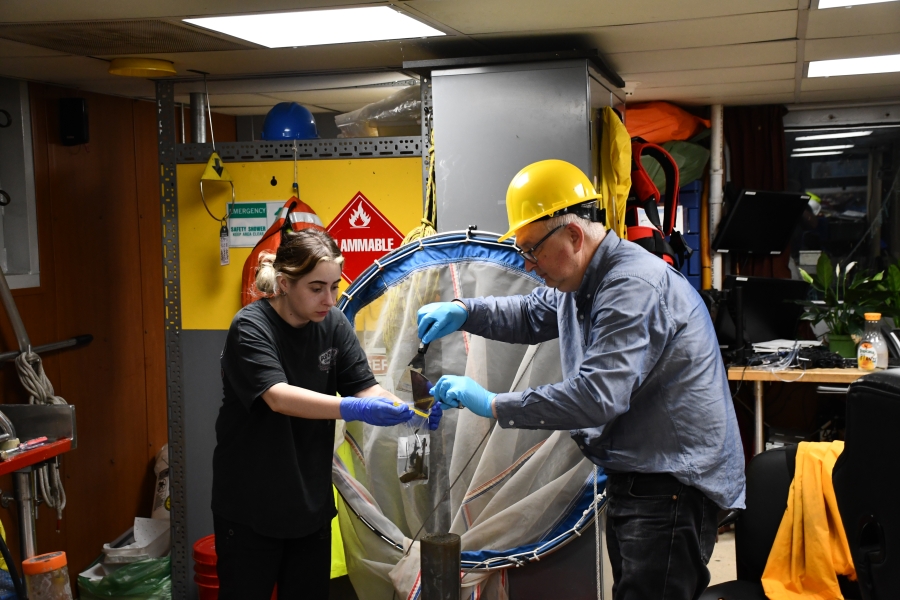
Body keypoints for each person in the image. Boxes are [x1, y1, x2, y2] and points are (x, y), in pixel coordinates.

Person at [418, 160, 745, 600]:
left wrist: (495, 404)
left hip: (671, 483)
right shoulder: (582, 278)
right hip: (639, 473)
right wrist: (465, 311)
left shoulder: (631, 286)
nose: (529, 265)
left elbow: (597, 396)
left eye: (532, 250)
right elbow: (532, 313)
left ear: (573, 234)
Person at [212, 228, 439, 599]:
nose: (329, 300)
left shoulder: (332, 324)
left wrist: (409, 408)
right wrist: (351, 408)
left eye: (334, 287)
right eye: (316, 288)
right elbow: (278, 397)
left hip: (310, 506)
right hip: (251, 507)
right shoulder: (250, 327)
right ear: (284, 284)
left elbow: (364, 386)